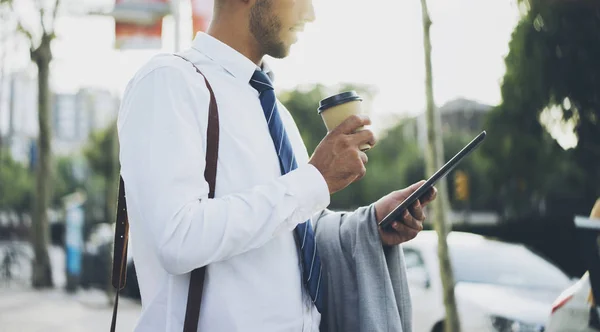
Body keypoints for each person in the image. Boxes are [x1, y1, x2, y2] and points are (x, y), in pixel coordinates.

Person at [117, 0, 437, 331]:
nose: (310, 15)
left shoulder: (274, 111)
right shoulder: (169, 82)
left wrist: (369, 226)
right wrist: (316, 179)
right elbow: (178, 238)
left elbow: (291, 228)